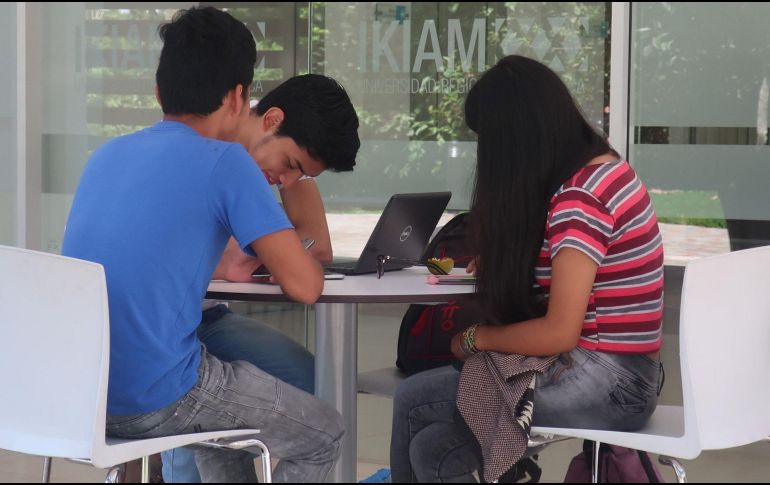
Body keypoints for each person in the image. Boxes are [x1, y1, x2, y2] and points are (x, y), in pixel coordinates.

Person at [62, 7, 356, 482]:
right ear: (239, 97)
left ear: (159, 91)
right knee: (325, 433)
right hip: (158, 396)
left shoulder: (107, 154)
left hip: (81, 396)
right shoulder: (225, 162)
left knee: (225, 426)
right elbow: (305, 284)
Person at [389, 55, 665, 482]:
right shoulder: (603, 171)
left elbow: (559, 331)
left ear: (516, 139)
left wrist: (475, 337)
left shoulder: (581, 197)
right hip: (620, 374)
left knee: (414, 397)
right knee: (435, 449)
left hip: (609, 382)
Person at [161, 74, 360, 482]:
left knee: (315, 384)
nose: (287, 180)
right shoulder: (215, 156)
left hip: (213, 319)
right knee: (192, 438)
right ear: (270, 119)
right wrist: (281, 252)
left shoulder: (270, 161)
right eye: (291, 165)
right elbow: (236, 264)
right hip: (168, 330)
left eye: (301, 174)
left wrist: (280, 244)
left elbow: (318, 248)